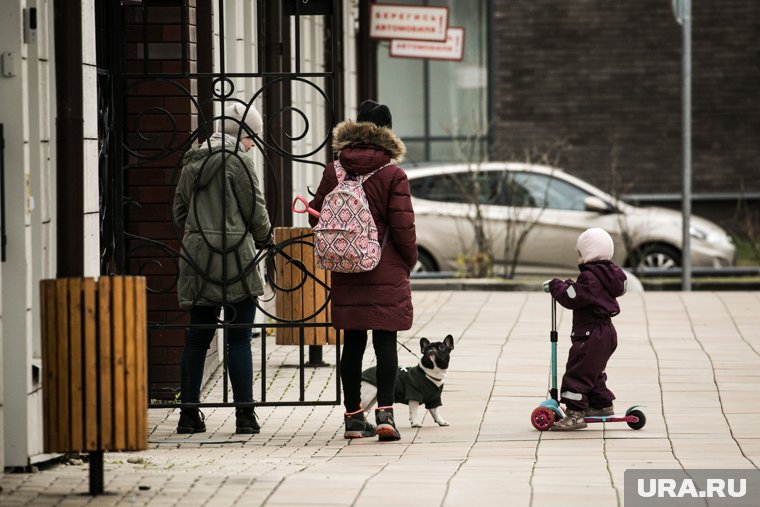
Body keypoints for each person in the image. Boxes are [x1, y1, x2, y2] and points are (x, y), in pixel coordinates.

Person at [308, 100, 417, 441]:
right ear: (387, 133)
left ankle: (354, 417)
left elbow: (314, 213)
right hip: (385, 265)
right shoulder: (393, 174)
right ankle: (385, 414)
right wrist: (409, 260)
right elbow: (404, 226)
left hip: (346, 266)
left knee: (353, 342)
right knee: (386, 341)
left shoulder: (334, 170)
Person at [173, 102, 272, 434]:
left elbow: (178, 212)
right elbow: (255, 210)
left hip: (198, 259)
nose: (251, 145)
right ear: (241, 134)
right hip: (235, 259)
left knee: (197, 337)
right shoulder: (239, 163)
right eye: (251, 138)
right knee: (239, 338)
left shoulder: (192, 163)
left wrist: (197, 235)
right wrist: (264, 239)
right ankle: (245, 415)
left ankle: (188, 414)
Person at [543, 227, 627, 430]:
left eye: (580, 253)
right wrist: (569, 284)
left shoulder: (590, 276)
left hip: (591, 335)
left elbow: (574, 297)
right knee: (593, 372)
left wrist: (556, 285)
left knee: (578, 373)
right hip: (605, 333)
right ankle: (601, 405)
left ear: (589, 254)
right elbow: (587, 293)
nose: (579, 258)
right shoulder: (609, 274)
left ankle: (575, 414)